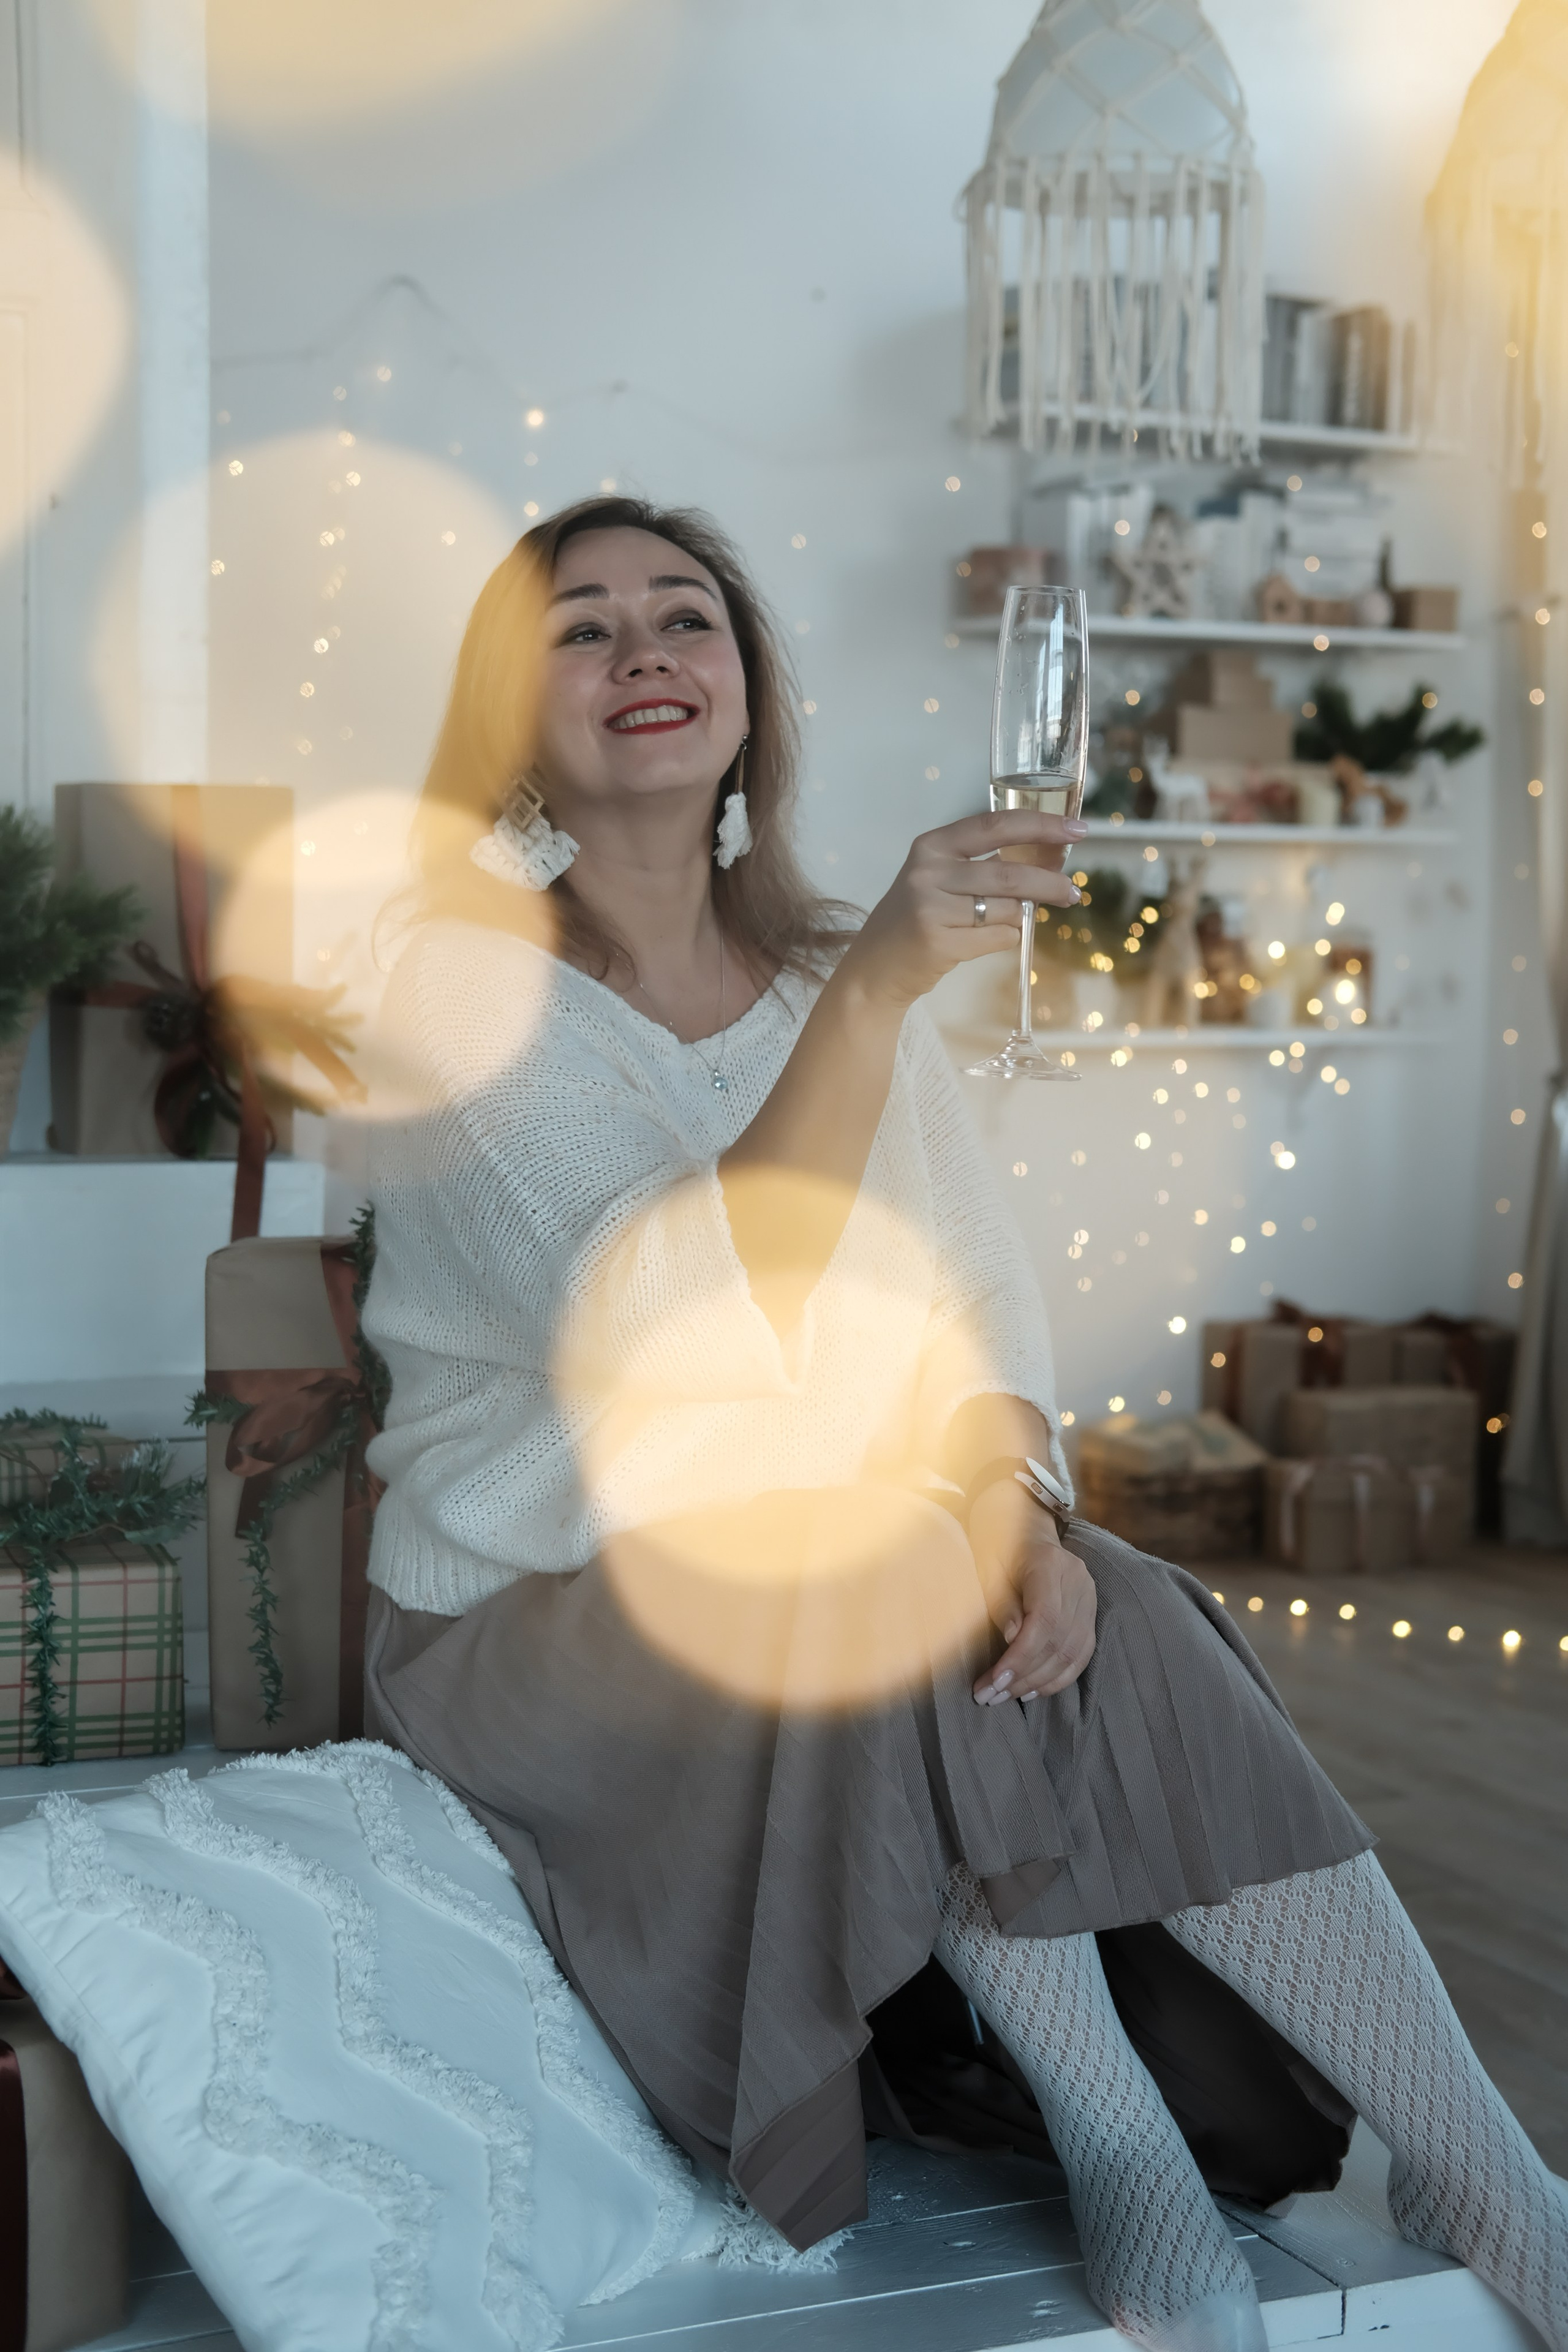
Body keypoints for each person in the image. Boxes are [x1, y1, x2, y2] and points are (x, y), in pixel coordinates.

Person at [361, 496, 1567, 2352]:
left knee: (1111, 1598)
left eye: (685, 617)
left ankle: (1487, 2165)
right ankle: (1124, 2150)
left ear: (750, 692)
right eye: (580, 632)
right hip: (545, 1630)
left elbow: (978, 1303)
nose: (643, 655)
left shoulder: (833, 976)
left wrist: (1013, 1496)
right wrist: (872, 996)